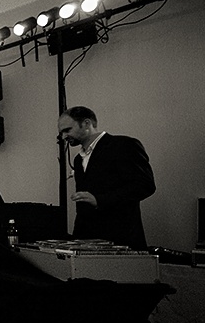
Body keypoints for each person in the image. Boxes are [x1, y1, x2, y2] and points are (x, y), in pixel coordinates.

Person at [58, 106, 156, 250]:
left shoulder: (123, 145)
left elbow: (145, 185)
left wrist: (100, 200)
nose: (64, 137)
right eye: (62, 132)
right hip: (88, 246)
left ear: (86, 123)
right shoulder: (78, 160)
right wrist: (76, 241)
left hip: (121, 242)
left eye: (67, 130)